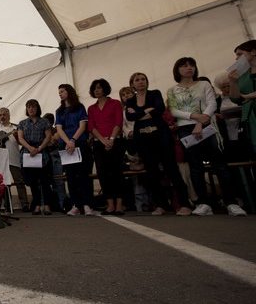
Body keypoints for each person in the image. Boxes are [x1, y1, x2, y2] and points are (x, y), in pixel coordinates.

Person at [167, 57, 246, 216]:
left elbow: (212, 104)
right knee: (195, 166)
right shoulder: (172, 90)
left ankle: (231, 203)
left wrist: (201, 122)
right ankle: (203, 203)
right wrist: (196, 117)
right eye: (184, 65)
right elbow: (174, 111)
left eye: (192, 65)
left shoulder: (204, 84)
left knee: (220, 163)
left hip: (208, 125)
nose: (189, 68)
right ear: (177, 70)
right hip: (185, 128)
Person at [127, 72, 192, 216]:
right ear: (132, 84)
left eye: (143, 79)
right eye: (137, 80)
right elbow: (129, 116)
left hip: (161, 137)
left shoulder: (155, 93)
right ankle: (160, 205)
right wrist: (148, 110)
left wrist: (139, 113)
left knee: (171, 169)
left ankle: (184, 204)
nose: (141, 82)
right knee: (152, 173)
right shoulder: (130, 100)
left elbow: (159, 109)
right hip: (143, 140)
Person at [55, 84, 97, 216]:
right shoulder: (59, 111)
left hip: (80, 144)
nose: (60, 94)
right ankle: (75, 205)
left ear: (69, 91)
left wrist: (73, 140)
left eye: (62, 91)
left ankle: (87, 204)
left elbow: (83, 125)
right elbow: (59, 129)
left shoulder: (79, 107)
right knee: (71, 176)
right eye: (59, 92)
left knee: (83, 174)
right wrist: (67, 142)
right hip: (66, 146)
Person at [87, 79, 125, 215]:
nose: (97, 90)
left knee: (117, 173)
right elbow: (91, 126)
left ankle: (119, 204)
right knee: (103, 174)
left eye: (99, 88)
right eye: (95, 88)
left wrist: (112, 139)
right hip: (99, 143)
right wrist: (103, 140)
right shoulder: (91, 108)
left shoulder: (115, 103)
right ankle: (110, 204)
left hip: (115, 142)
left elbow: (118, 122)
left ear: (105, 89)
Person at [17, 99, 53, 215]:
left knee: (44, 180)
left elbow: (48, 136)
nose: (31, 109)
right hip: (28, 153)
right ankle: (37, 205)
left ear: (37, 108)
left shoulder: (45, 121)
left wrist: (39, 148)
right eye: (28, 107)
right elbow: (20, 138)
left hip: (42, 152)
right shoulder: (22, 123)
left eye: (33, 107)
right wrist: (30, 148)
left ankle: (47, 205)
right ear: (27, 109)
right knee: (32, 181)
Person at [0, 108, 29, 211]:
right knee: (4, 183)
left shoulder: (16, 127)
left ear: (9, 115)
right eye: (0, 115)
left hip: (14, 158)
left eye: (4, 114)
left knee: (19, 181)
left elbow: (21, 142)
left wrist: (17, 136)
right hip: (1, 160)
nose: (2, 117)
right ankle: (7, 205)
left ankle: (25, 204)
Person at [229, 40, 256, 156]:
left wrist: (248, 95)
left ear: (253, 52)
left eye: (240, 54)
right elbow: (235, 99)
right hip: (252, 117)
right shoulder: (243, 75)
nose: (237, 59)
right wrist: (233, 82)